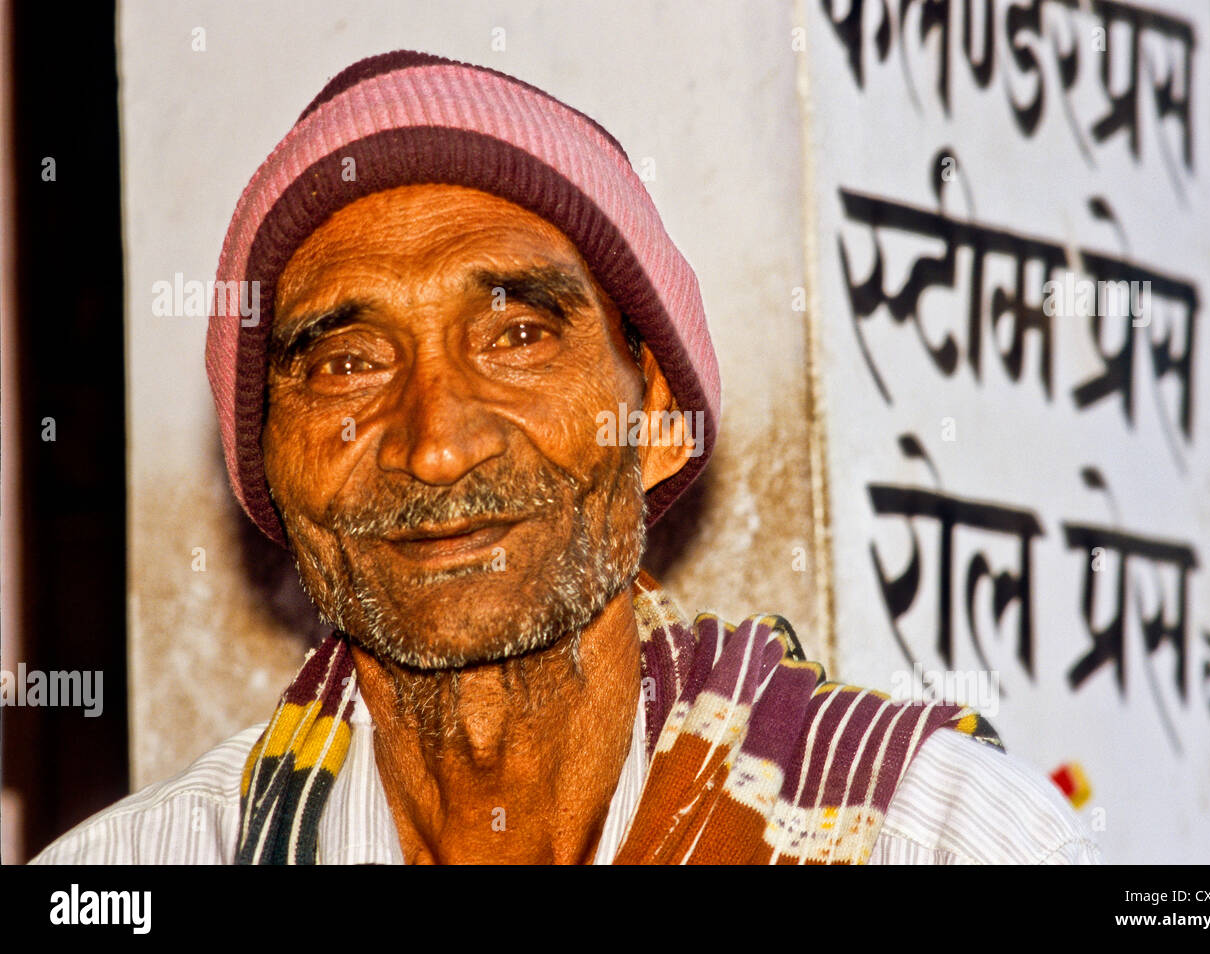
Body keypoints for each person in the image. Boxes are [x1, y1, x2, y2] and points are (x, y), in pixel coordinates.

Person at [34, 51, 1099, 865]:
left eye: (517, 337)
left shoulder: (929, 838)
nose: (438, 445)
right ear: (267, 467)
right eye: (349, 364)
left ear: (663, 414)